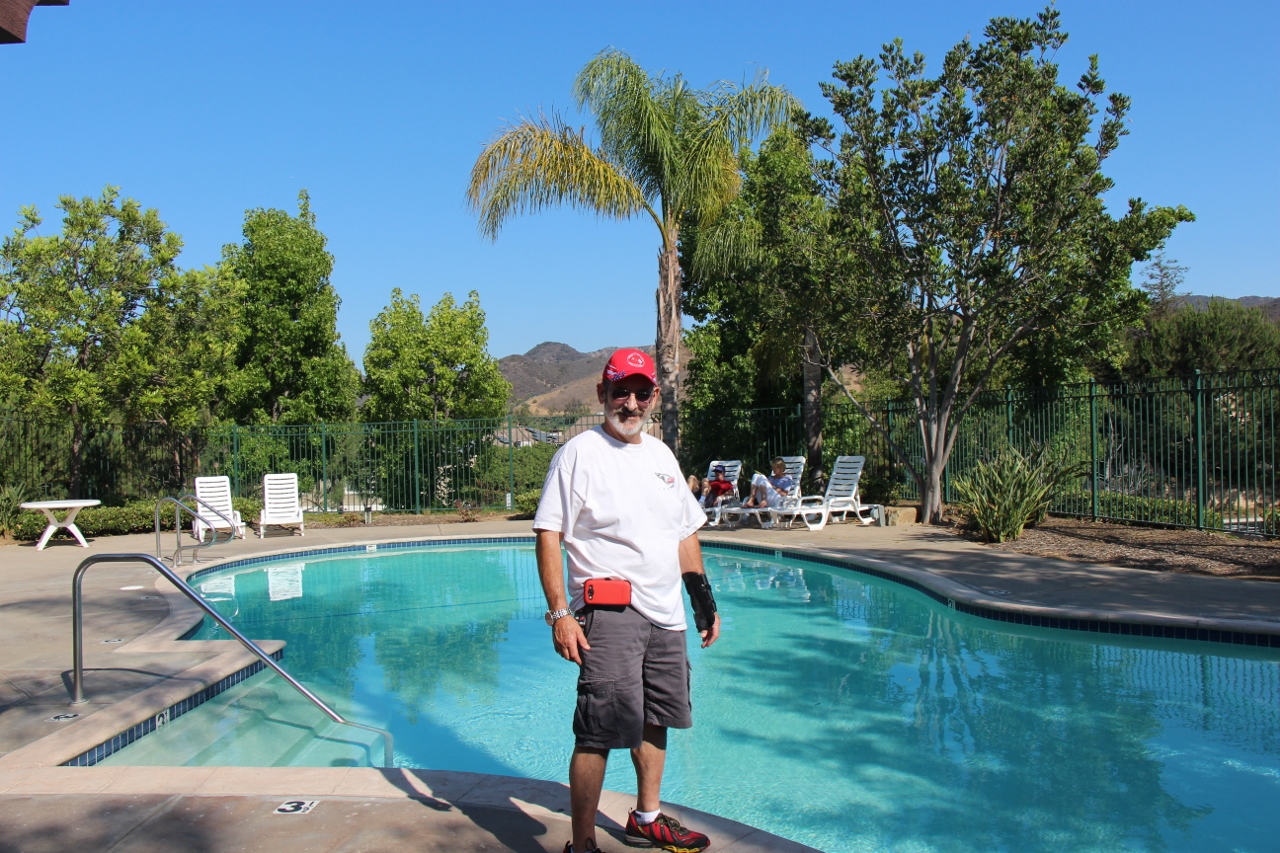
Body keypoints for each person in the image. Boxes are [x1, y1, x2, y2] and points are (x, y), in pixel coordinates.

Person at [534, 348, 721, 853]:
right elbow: (548, 533)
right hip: (611, 609)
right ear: (603, 394)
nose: (631, 403)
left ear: (653, 397)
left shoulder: (661, 456)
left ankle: (647, 817)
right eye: (621, 391)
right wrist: (560, 614)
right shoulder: (579, 454)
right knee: (597, 728)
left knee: (657, 716)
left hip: (666, 613)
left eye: (642, 393)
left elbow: (685, 532)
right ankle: (583, 843)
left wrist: (702, 598)